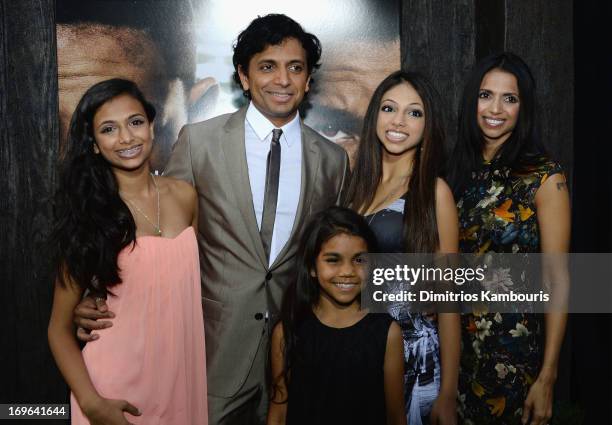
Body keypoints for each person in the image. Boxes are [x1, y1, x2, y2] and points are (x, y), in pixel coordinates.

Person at [73, 14, 350, 425]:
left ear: (308, 80)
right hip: (209, 352)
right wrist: (95, 293)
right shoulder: (199, 142)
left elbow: (331, 254)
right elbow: (153, 235)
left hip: (296, 353)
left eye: (296, 68)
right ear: (243, 75)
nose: (283, 79)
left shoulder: (333, 161)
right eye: (267, 66)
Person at [47, 79, 207, 424]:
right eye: (109, 129)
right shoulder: (88, 214)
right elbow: (58, 329)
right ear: (93, 144)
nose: (127, 138)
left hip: (180, 381)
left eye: (135, 122)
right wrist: (93, 404)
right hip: (114, 390)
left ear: (151, 125)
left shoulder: (185, 196)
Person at [446, 52, 570, 425]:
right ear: (472, 100)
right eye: (486, 95)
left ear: (523, 107)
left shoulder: (544, 176)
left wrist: (548, 376)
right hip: (450, 355)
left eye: (509, 98)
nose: (495, 108)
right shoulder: (454, 171)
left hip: (511, 359)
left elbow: (558, 278)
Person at [344, 70, 461, 425]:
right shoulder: (355, 186)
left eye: (414, 112)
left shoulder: (433, 192)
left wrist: (448, 393)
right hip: (360, 348)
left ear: (428, 125)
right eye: (389, 108)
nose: (399, 121)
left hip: (414, 357)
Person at [267, 206, 406, 425]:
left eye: (359, 260)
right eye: (333, 260)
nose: (347, 271)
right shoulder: (286, 332)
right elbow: (278, 414)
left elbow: (396, 418)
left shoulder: (388, 334)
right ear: (312, 267)